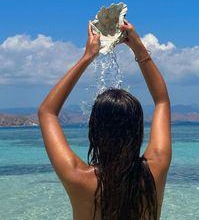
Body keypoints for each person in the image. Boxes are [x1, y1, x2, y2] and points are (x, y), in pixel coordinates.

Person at [38, 19, 172, 220]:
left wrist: (87, 57)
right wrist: (138, 47)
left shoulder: (79, 177)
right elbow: (161, 101)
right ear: (138, 130)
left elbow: (47, 112)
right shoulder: (155, 169)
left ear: (95, 131)